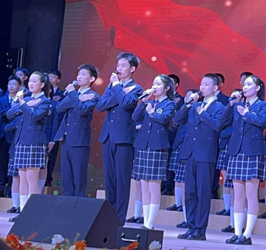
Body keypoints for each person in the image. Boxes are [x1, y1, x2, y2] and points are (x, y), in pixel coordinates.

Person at [176, 74, 228, 240]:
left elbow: (218, 125)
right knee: (190, 192)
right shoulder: (195, 105)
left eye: (206, 84)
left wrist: (203, 113)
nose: (202, 87)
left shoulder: (220, 106)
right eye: (201, 84)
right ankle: (191, 226)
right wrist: (187, 104)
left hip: (206, 154)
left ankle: (200, 230)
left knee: (203, 192)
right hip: (190, 152)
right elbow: (177, 119)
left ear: (215, 88)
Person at [97, 52, 143, 224]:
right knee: (109, 179)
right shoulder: (112, 86)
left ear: (132, 69)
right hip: (108, 136)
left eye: (123, 65)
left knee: (122, 179)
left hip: (124, 137)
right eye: (118, 65)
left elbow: (126, 103)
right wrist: (119, 92)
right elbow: (100, 106)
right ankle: (109, 216)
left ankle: (119, 219)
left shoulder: (137, 88)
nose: (119, 68)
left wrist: (117, 87)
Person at [224, 75, 266, 246]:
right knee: (238, 195)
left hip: (253, 151)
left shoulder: (263, 105)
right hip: (237, 150)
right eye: (244, 84)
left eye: (249, 84)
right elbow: (223, 121)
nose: (245, 87)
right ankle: (237, 232)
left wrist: (247, 113)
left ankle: (247, 233)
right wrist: (231, 104)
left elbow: (263, 122)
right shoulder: (238, 104)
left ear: (257, 88)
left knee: (251, 194)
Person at [131, 74, 176, 230]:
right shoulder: (149, 102)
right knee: (143, 185)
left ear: (167, 88)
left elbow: (163, 119)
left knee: (154, 186)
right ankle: (145, 220)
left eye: (158, 84)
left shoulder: (170, 104)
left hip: (157, 147)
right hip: (143, 145)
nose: (154, 87)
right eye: (154, 83)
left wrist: (151, 112)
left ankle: (151, 223)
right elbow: (135, 117)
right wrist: (143, 101)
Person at [6, 71, 51, 221]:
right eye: (30, 81)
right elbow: (9, 115)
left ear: (42, 85)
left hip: (34, 141)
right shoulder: (26, 99)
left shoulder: (45, 101)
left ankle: (31, 212)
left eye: (34, 81)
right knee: (22, 177)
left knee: (32, 178)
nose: (31, 84)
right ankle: (22, 210)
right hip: (21, 140)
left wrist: (23, 104)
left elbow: (34, 116)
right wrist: (22, 103)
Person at [52, 64, 100, 197]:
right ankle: (67, 202)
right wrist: (77, 97)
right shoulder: (75, 94)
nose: (79, 76)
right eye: (79, 74)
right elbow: (59, 108)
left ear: (92, 79)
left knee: (79, 176)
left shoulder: (92, 95)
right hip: (66, 138)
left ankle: (79, 202)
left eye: (83, 74)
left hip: (80, 140)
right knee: (66, 175)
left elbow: (81, 109)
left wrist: (73, 95)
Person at [0, 75, 20, 198]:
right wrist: (12, 110)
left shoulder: (21, 100)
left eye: (14, 84)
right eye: (10, 84)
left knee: (13, 164)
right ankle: (0, 188)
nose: (11, 86)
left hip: (15, 134)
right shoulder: (2, 99)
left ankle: (10, 190)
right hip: (3, 134)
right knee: (1, 163)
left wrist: (8, 111)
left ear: (19, 86)